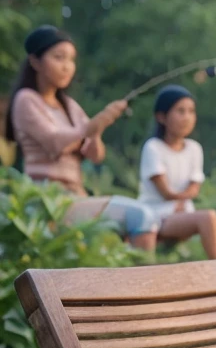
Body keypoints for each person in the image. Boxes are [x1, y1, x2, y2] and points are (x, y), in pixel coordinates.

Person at [5, 24, 160, 245]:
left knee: (136, 224)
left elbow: (95, 155)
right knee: (142, 216)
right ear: (35, 61)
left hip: (78, 197)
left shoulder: (69, 105)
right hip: (49, 202)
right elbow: (54, 142)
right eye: (59, 58)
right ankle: (148, 281)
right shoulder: (26, 100)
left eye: (71, 60)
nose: (67, 66)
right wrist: (95, 123)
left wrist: (96, 131)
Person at [136, 86, 216, 259]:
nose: (187, 117)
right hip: (154, 214)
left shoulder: (194, 149)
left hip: (182, 212)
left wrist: (181, 200)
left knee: (209, 217)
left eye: (191, 111)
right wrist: (182, 199)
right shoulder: (153, 147)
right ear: (161, 117)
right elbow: (165, 192)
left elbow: (194, 188)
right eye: (180, 111)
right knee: (207, 217)